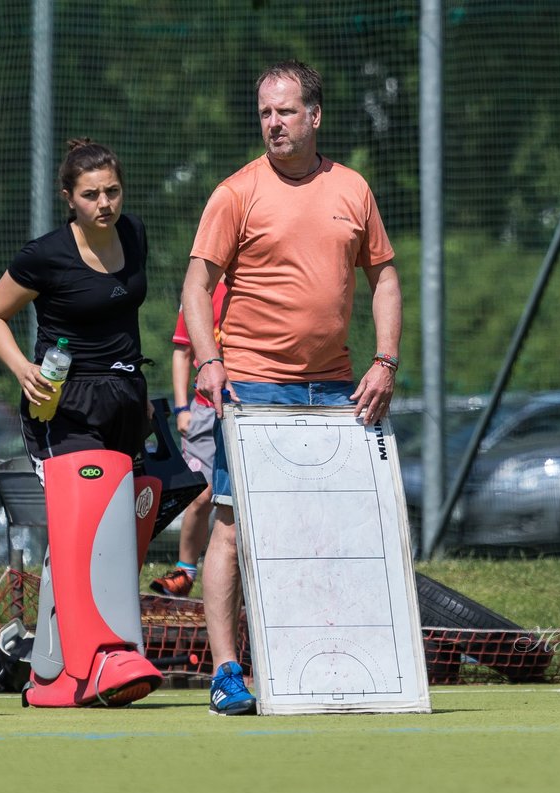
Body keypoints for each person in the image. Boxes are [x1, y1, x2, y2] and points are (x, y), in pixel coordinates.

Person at [182, 61, 401, 715]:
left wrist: (384, 360)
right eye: (265, 114)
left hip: (336, 389)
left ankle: (325, 665)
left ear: (315, 115)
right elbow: (196, 285)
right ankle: (226, 671)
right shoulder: (236, 192)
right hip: (251, 389)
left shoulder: (353, 189)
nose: (273, 123)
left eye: (285, 111)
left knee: (328, 532)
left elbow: (384, 277)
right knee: (231, 529)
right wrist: (207, 361)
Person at [0, 138, 151, 471]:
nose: (104, 203)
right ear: (68, 199)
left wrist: (137, 390)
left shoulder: (133, 232)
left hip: (127, 399)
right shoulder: (45, 255)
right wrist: (22, 369)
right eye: (90, 195)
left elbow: (125, 318)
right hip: (66, 404)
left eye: (112, 191)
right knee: (87, 513)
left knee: (129, 520)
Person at [150, 281, 228, 598]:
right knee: (201, 495)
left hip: (246, 409)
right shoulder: (201, 291)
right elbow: (182, 352)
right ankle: (185, 572)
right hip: (205, 411)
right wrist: (183, 408)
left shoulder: (260, 281)